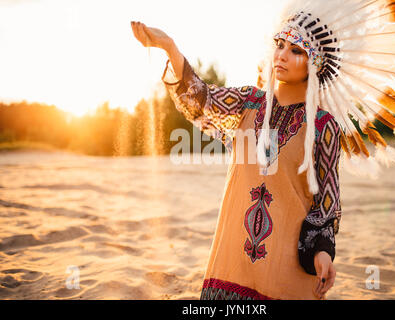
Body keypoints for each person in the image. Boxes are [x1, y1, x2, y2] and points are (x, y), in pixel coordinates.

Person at [131, 17, 341, 300]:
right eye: (279, 45)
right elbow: (200, 97)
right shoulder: (248, 102)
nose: (281, 55)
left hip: (288, 267)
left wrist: (324, 252)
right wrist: (169, 47)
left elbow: (327, 203)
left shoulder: (323, 126)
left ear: (315, 63)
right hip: (232, 264)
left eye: (296, 50)